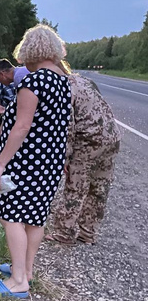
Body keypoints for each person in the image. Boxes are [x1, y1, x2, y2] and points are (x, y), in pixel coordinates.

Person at [0, 24, 71, 298]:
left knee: (11, 216)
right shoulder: (62, 82)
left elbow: (21, 127)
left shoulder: (33, 82)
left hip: (27, 162)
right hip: (49, 164)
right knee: (34, 219)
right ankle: (25, 270)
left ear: (31, 50)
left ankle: (18, 281)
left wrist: (0, 165)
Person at [46, 64, 121, 245]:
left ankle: (64, 232)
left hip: (88, 140)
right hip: (111, 136)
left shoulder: (62, 88)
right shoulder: (85, 81)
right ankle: (88, 233)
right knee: (99, 187)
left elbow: (68, 127)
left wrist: (65, 157)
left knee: (76, 186)